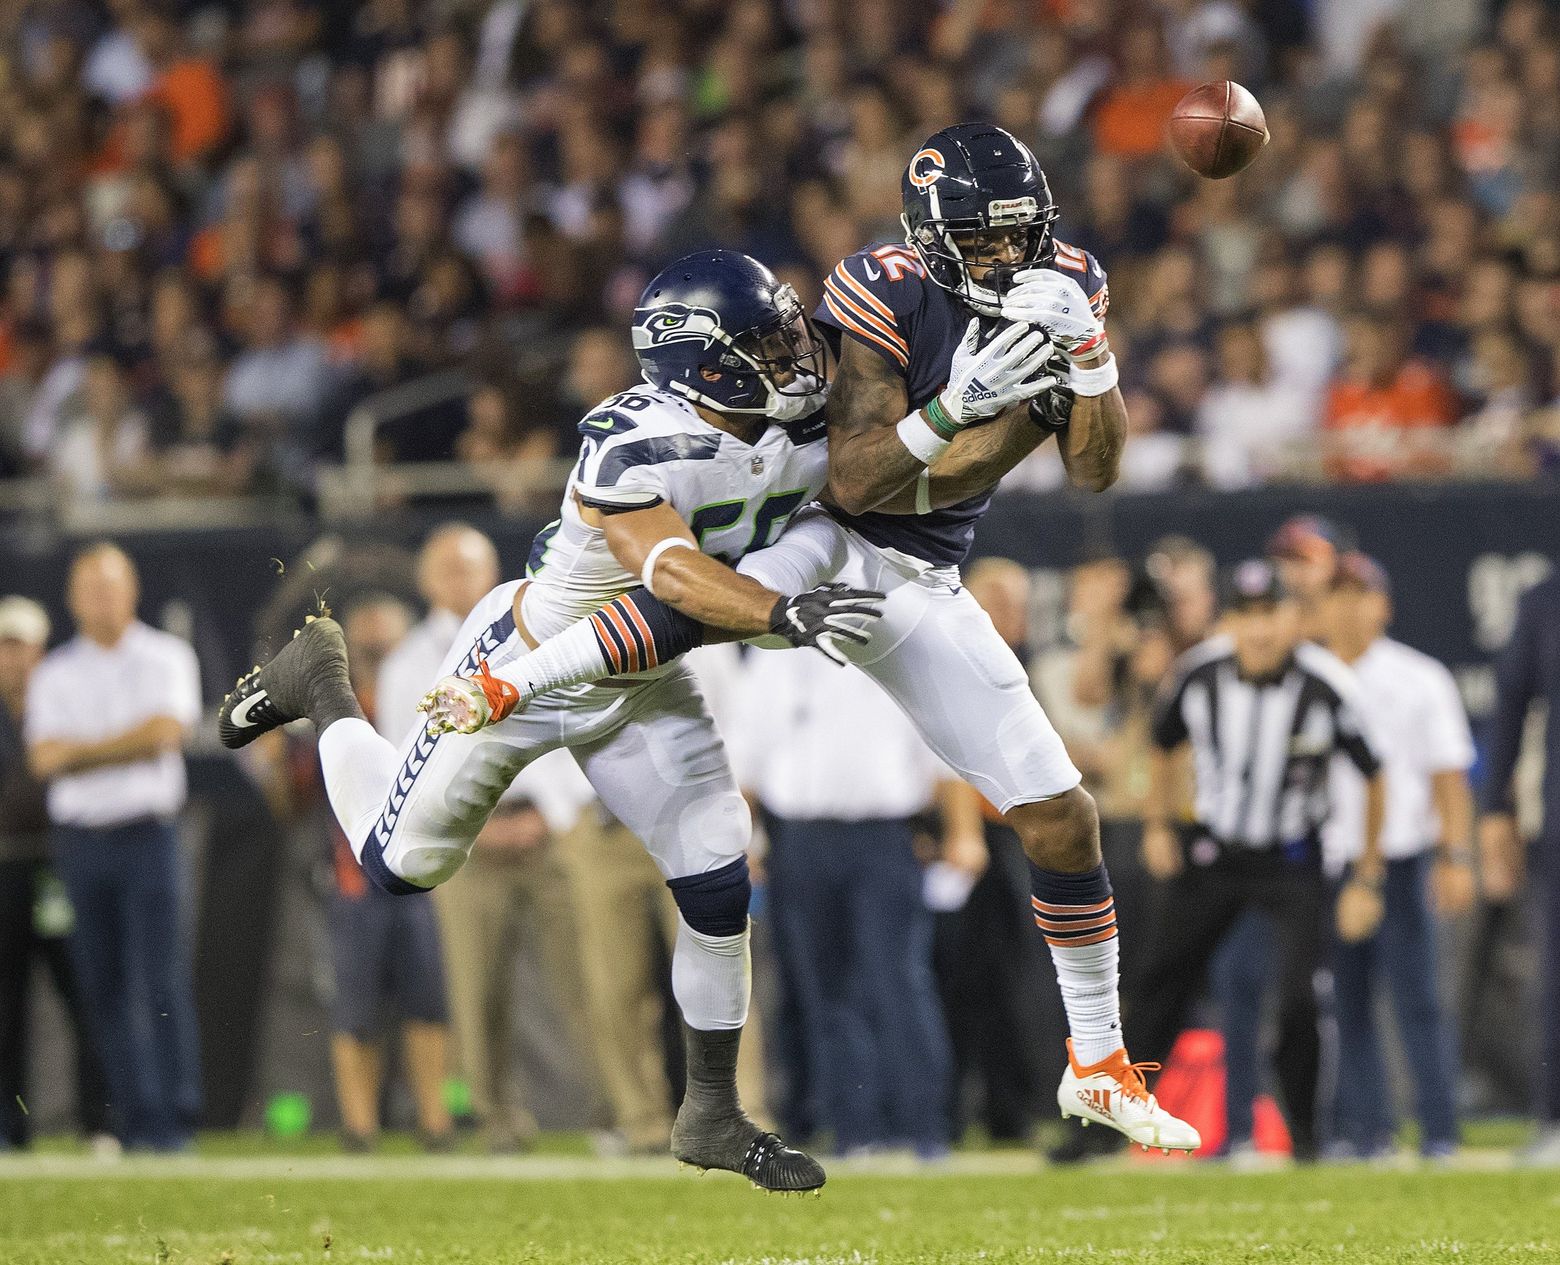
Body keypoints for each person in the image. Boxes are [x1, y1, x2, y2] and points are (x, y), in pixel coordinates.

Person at [429, 123, 1198, 1153]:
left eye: (1023, 234)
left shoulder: (1070, 280)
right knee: (696, 604)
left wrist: (1095, 361)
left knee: (1063, 816)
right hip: (828, 529)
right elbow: (856, 477)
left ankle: (1098, 1065)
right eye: (985, 238)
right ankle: (512, 681)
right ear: (928, 235)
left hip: (922, 572)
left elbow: (1097, 468)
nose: (1011, 258)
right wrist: (961, 408)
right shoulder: (880, 289)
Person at [218, 250, 886, 1192]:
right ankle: (318, 676)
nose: (792, 356)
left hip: (643, 679)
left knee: (717, 874)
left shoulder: (808, 415)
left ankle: (711, 1111)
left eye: (785, 333)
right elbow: (670, 584)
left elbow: (884, 454)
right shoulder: (632, 441)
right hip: (526, 666)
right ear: (699, 364)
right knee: (397, 863)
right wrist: (778, 608)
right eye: (764, 343)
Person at [1134, 559, 1387, 1162]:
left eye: (1270, 613)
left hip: (1293, 860)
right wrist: (1158, 825)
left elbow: (1375, 776)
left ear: (1294, 619)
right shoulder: (1198, 675)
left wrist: (1366, 876)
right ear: (1228, 621)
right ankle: (1106, 1121)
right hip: (1214, 855)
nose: (1260, 629)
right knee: (1157, 985)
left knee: (1300, 997)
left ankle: (1305, 1135)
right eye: (1246, 615)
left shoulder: (1326, 684)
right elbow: (1162, 745)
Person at [374, 523, 593, 1153]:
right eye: (446, 569)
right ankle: (498, 1120)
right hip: (466, 842)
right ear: (425, 580)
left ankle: (618, 1112)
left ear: (493, 570)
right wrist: (468, 827)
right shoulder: (410, 662)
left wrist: (547, 815)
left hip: (550, 828)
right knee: (476, 990)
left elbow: (571, 725)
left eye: (470, 568)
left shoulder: (541, 635)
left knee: (590, 980)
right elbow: (405, 756)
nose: (460, 581)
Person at [731, 640, 957, 1159]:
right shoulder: (775, 655)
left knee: (898, 978)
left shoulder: (900, 648)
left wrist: (960, 833)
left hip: (885, 835)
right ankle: (854, 1127)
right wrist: (746, 842)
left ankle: (923, 1125)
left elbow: (941, 753)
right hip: (802, 839)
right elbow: (746, 755)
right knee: (824, 987)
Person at [25, 544, 202, 1152]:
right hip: (79, 845)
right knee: (102, 985)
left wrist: (83, 751)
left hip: (147, 834)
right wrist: (120, 744)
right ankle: (132, 1119)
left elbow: (166, 733)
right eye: (89, 587)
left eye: (110, 585)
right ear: (72, 598)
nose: (100, 598)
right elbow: (45, 759)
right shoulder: (54, 671)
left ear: (131, 590)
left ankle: (175, 1122)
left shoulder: (165, 655)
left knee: (158, 980)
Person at [1320, 552, 1475, 1161]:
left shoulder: (1420, 677)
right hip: (1328, 860)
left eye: (1361, 593)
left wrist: (1455, 855)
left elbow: (1449, 778)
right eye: (1338, 593)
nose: (1349, 605)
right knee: (1343, 1004)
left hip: (1402, 860)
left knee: (1419, 1001)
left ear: (1383, 604)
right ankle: (1366, 1131)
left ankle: (1439, 1130)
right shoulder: (1308, 672)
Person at [322, 593, 454, 1152]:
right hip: (355, 877)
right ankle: (359, 1125)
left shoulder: (424, 696)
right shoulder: (332, 709)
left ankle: (435, 1121)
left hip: (418, 871)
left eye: (385, 642)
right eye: (367, 644)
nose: (376, 653)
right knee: (356, 1005)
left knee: (427, 1000)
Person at [0, 596, 108, 1153]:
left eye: (19, 646)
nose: (11, 659)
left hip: (59, 862)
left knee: (83, 994)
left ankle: (99, 1123)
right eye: (3, 647)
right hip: (5, 868)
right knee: (6, 1006)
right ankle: (9, 1131)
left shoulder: (65, 699)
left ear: (40, 651)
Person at [1477, 571, 1560, 1164]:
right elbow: (1511, 705)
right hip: (1558, 823)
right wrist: (1496, 815)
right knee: (1555, 975)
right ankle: (1556, 1118)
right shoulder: (1545, 600)